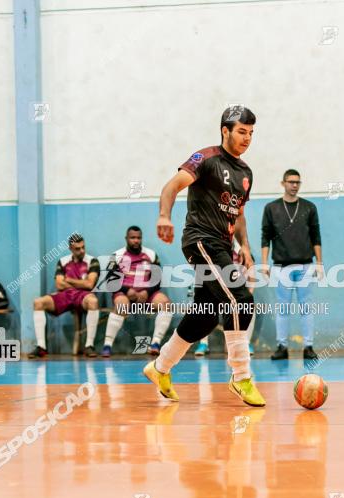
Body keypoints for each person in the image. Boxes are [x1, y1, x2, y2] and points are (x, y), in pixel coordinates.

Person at [143, 105, 265, 407]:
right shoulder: (205, 158)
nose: (247, 138)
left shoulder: (245, 173)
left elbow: (238, 215)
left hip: (222, 247)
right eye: (241, 132)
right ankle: (241, 376)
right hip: (201, 241)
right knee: (240, 298)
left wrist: (245, 247)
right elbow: (172, 186)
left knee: (206, 315)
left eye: (251, 133)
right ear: (225, 130)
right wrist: (163, 216)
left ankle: (160, 368)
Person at [260, 169, 322, 360]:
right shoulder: (271, 208)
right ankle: (282, 347)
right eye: (291, 182)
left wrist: (319, 263)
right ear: (283, 183)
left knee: (306, 308)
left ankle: (308, 347)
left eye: (297, 182)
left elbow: (316, 236)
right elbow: (265, 237)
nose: (294, 185)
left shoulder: (309, 207)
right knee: (283, 308)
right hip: (281, 266)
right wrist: (264, 264)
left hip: (305, 265)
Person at [100, 225, 174, 357]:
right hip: (124, 294)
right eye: (132, 238)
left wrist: (146, 292)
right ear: (126, 238)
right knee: (121, 305)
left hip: (146, 295)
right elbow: (110, 280)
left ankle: (155, 344)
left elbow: (157, 280)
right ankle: (107, 345)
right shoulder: (115, 256)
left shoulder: (151, 255)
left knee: (166, 304)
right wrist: (127, 290)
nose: (136, 241)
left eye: (138, 238)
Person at [28, 233, 101, 358]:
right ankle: (41, 347)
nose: (82, 250)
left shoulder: (93, 261)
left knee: (93, 302)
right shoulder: (62, 261)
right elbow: (60, 285)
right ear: (70, 249)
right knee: (38, 302)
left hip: (83, 295)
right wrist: (80, 283)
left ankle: (89, 346)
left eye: (83, 247)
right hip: (66, 295)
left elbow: (89, 285)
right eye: (78, 248)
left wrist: (70, 280)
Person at [194, 239, 255, 356]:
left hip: (235, 296)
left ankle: (245, 342)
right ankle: (203, 343)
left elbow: (251, 274)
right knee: (205, 306)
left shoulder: (243, 253)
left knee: (249, 305)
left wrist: (249, 293)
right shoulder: (210, 251)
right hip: (216, 294)